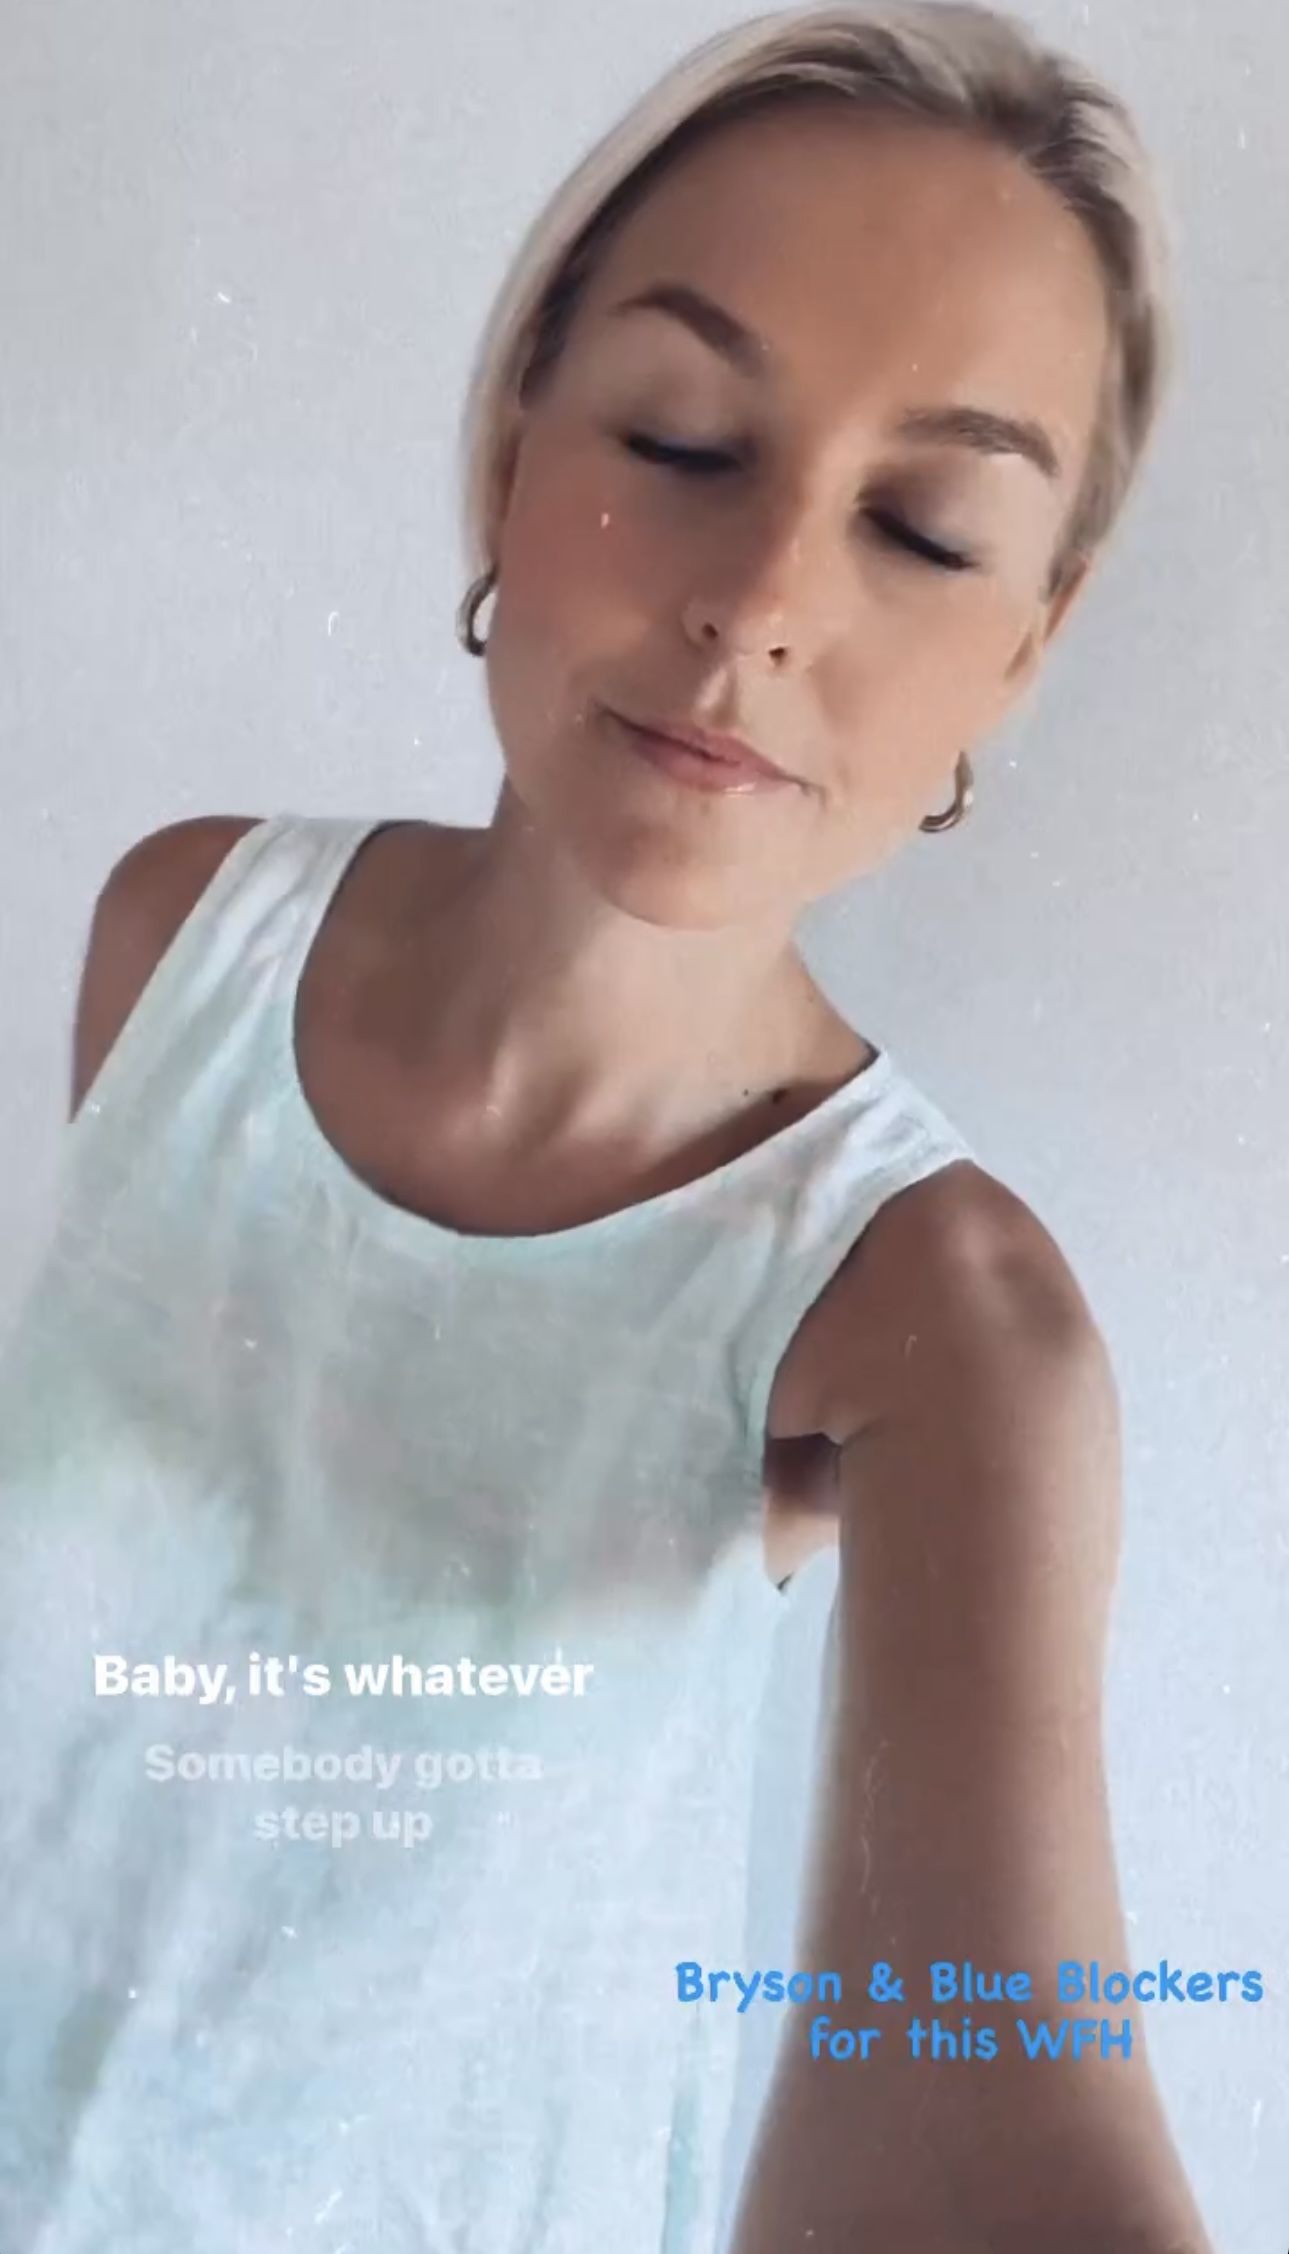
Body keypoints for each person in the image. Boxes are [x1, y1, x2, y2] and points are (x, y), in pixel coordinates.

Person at [0, 3, 1214, 2249]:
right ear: (511, 438)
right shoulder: (181, 933)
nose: (762, 601)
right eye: (680, 437)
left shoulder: (935, 1318)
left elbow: (982, 2068)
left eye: (923, 528)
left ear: (1022, 653)